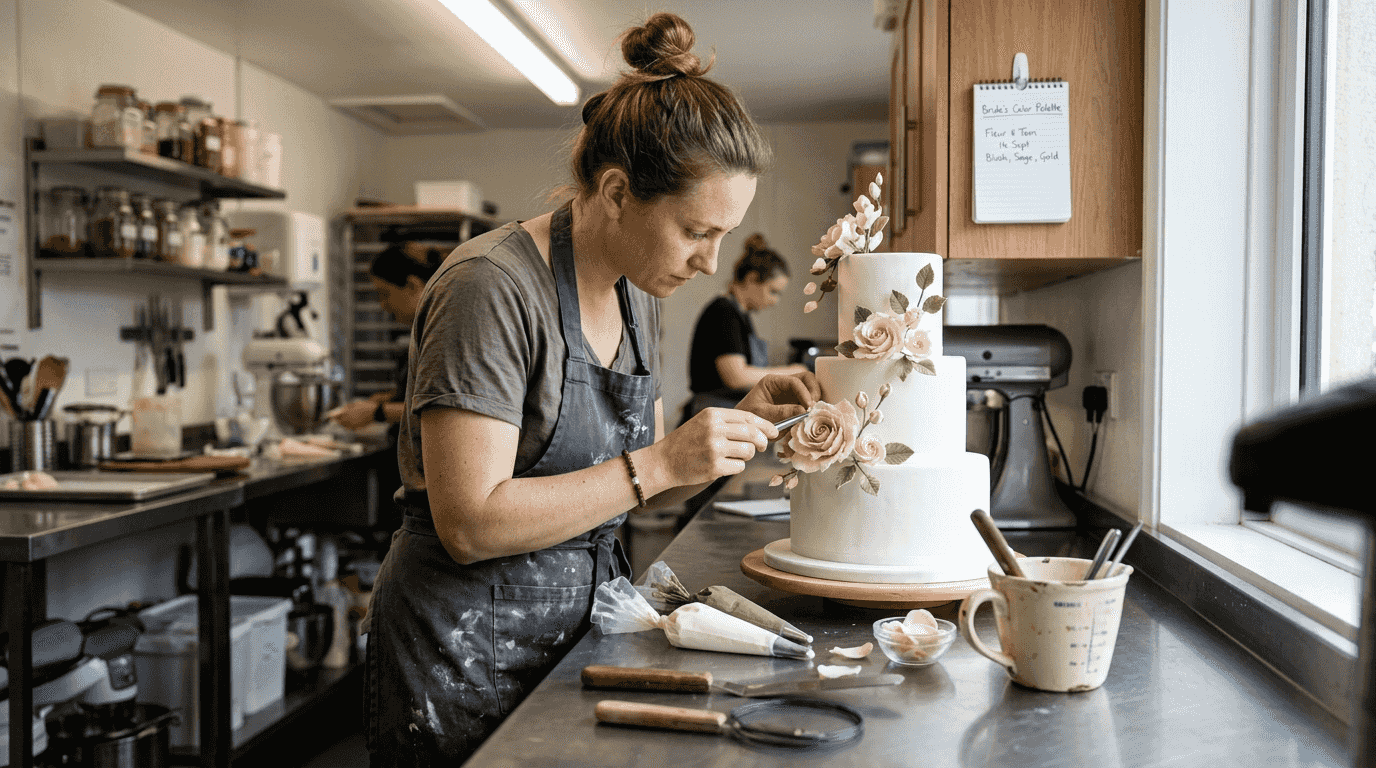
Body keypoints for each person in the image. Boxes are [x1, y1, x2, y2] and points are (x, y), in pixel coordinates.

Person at [364, 13, 819, 766]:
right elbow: (469, 522)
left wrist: (728, 434)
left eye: (724, 238)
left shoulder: (637, 293)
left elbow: (639, 484)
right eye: (696, 232)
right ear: (615, 191)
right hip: (463, 654)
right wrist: (663, 464)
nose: (710, 263)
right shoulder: (492, 288)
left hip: (575, 635)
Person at [684, 233, 809, 422]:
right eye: (773, 291)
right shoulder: (723, 312)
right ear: (751, 279)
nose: (775, 301)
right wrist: (792, 371)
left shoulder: (741, 316)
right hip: (713, 414)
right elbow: (736, 376)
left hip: (724, 412)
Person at [329, 241, 442, 431]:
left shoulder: (442, 335)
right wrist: (393, 398)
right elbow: (430, 392)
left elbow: (440, 408)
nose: (383, 305)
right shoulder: (426, 330)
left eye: (385, 293)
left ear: (413, 285)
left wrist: (377, 412)